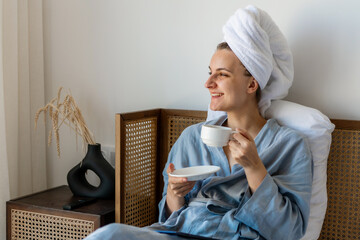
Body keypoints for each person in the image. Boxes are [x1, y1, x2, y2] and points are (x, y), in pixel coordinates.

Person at [85, 5, 313, 240]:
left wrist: (255, 168)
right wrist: (175, 195)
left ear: (251, 85)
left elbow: (290, 232)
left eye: (222, 74)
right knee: (108, 234)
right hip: (179, 234)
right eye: (210, 72)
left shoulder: (289, 146)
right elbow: (169, 218)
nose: (208, 83)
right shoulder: (193, 138)